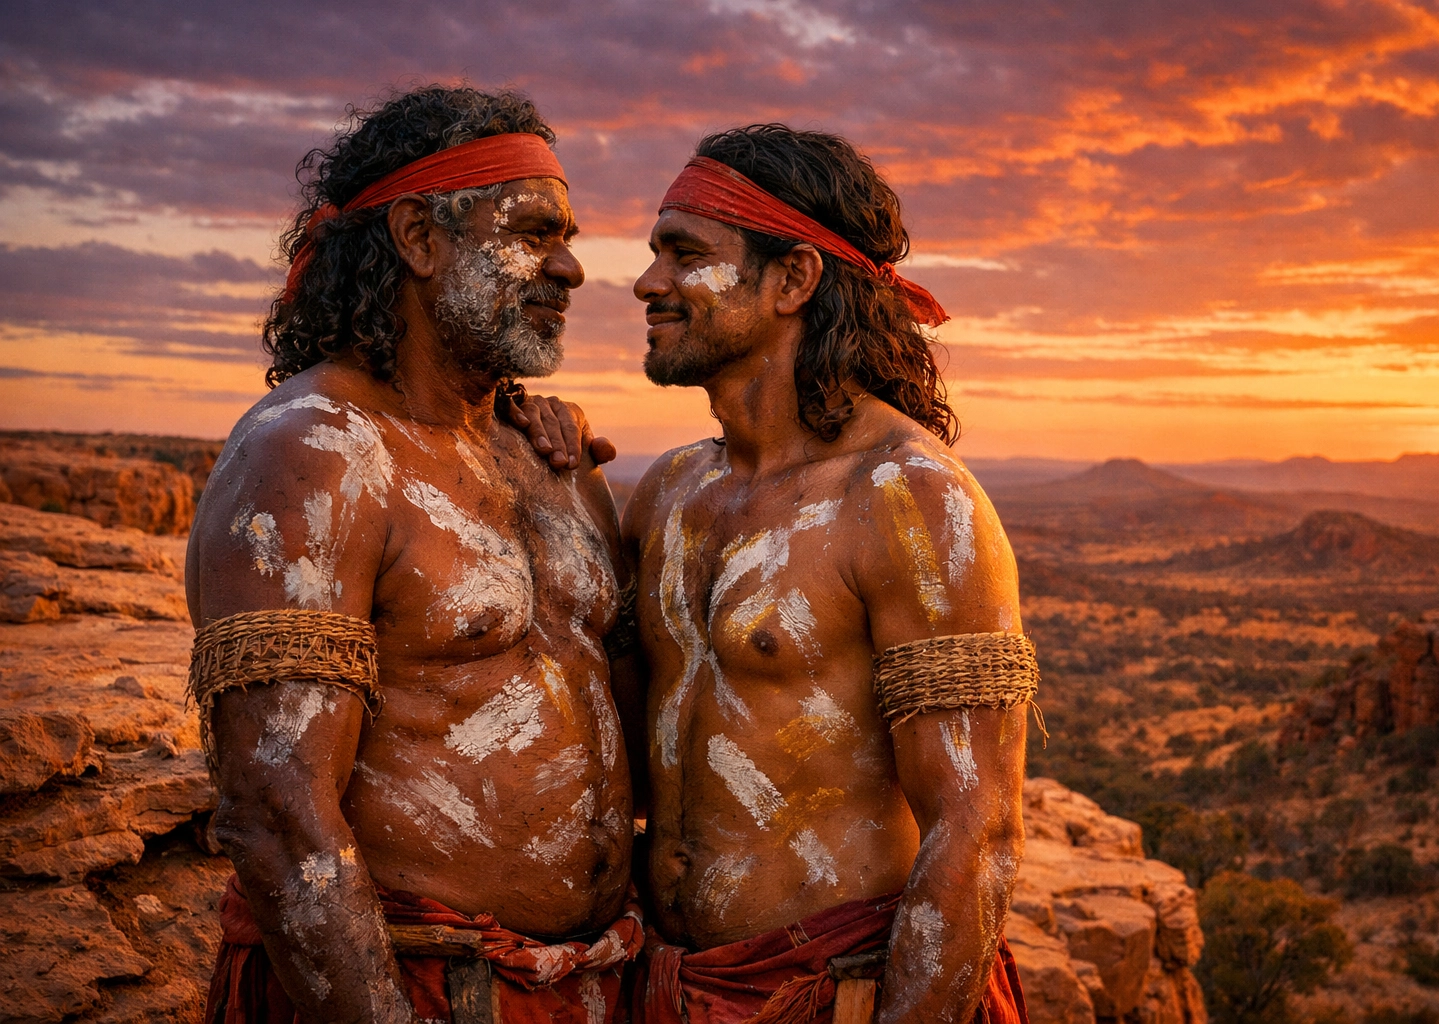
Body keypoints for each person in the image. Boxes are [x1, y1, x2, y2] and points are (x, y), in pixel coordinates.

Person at [186, 85, 645, 1024]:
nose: (570, 269)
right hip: (414, 987)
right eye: (533, 233)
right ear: (419, 238)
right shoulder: (314, 452)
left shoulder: (550, 458)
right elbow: (275, 813)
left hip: (589, 984)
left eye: (568, 238)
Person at [619, 125, 1037, 1023]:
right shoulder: (668, 492)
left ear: (793, 279)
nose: (647, 282)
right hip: (666, 987)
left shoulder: (911, 499)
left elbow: (978, 828)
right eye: (656, 253)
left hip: (834, 993)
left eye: (685, 254)